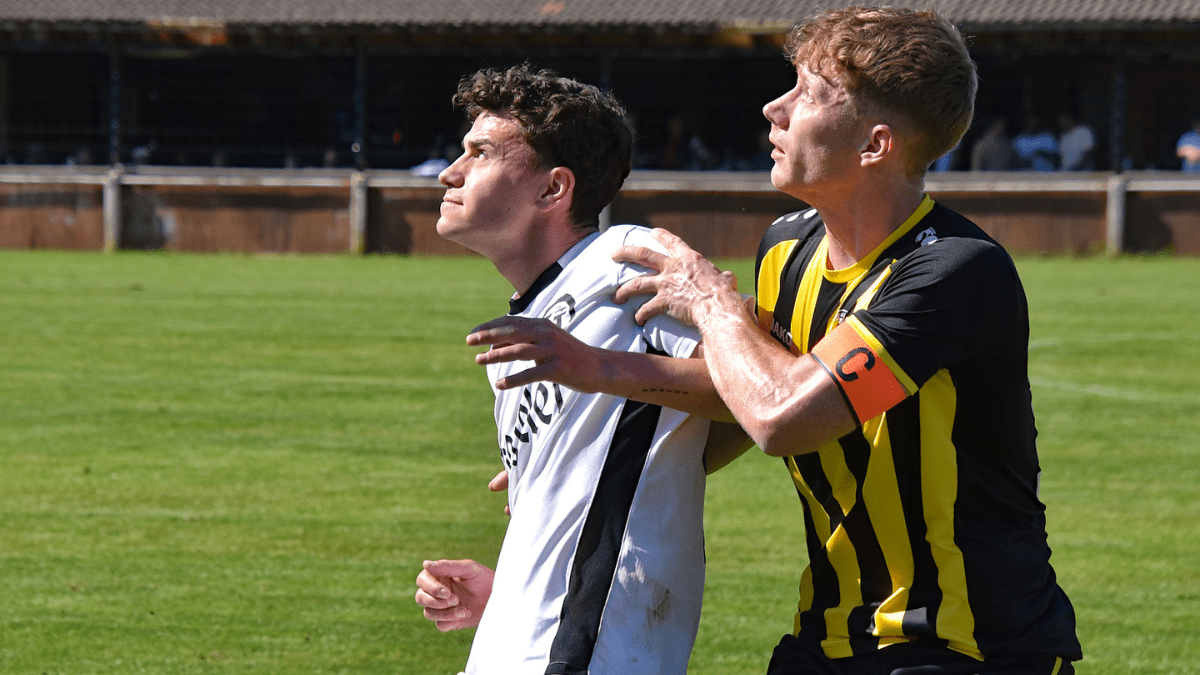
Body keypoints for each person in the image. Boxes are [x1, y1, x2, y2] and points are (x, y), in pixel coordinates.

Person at [469, 7, 1082, 675]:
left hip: (966, 645)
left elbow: (783, 416)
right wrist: (572, 457)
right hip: (826, 636)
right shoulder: (787, 247)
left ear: (875, 145)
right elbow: (742, 395)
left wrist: (711, 302)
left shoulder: (952, 270)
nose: (774, 108)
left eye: (808, 93)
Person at [412, 64, 747, 675]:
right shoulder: (529, 321)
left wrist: (600, 367)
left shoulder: (625, 260)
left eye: (480, 153)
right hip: (520, 645)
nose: (449, 172)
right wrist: (508, 593)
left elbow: (754, 391)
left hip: (585, 652)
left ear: (552, 189)